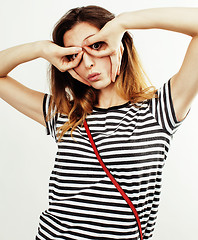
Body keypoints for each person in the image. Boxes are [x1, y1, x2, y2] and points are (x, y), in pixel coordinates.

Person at [0, 5, 198, 240]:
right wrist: (41, 48)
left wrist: (123, 22)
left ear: (118, 44)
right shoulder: (64, 113)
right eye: (74, 55)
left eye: (96, 45)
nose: (88, 64)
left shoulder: (159, 109)